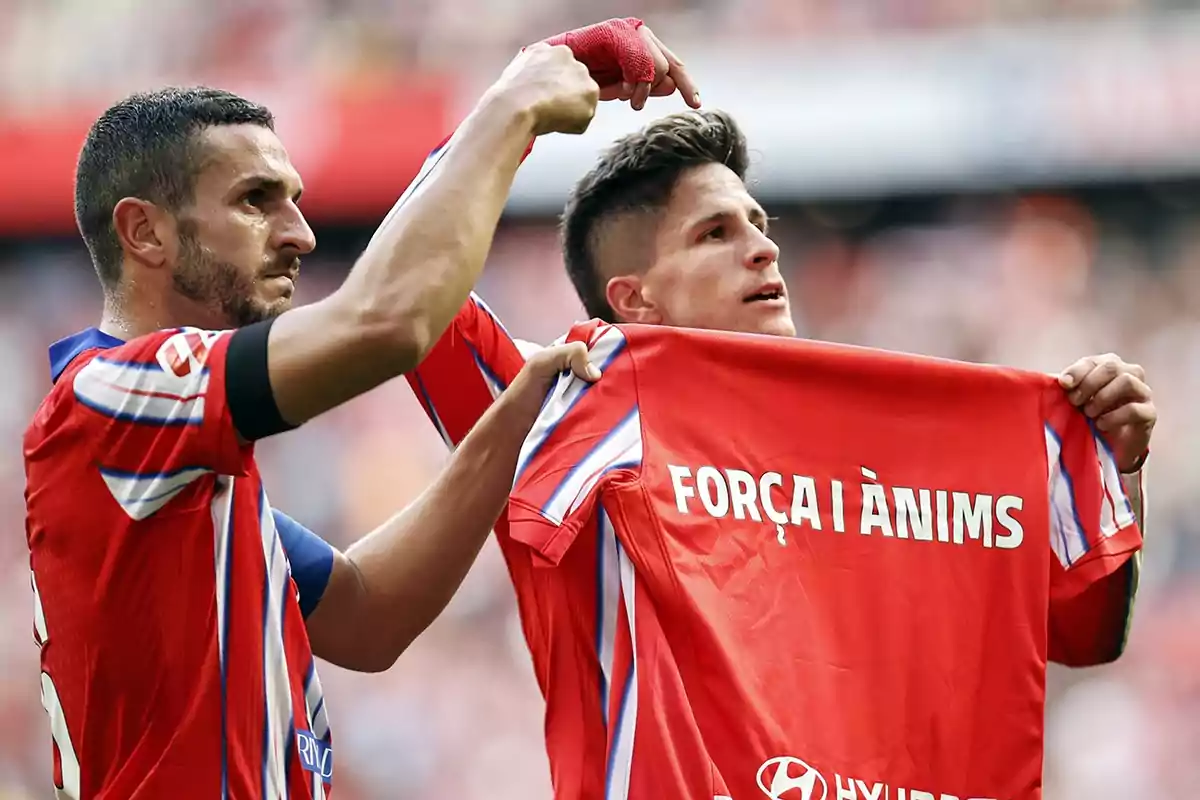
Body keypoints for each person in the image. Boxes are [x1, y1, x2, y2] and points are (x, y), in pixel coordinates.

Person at [23, 22, 699, 799]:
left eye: (294, 202)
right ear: (145, 232)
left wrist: (510, 422)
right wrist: (511, 107)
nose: (300, 234)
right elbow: (387, 324)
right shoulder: (107, 400)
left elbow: (372, 615)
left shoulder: (176, 477)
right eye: (256, 202)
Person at [404, 108, 1157, 792]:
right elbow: (413, 286)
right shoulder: (570, 409)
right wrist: (522, 99)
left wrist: (1116, 469)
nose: (764, 250)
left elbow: (1088, 629)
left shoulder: (895, 446)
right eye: (715, 234)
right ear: (635, 301)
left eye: (758, 224)